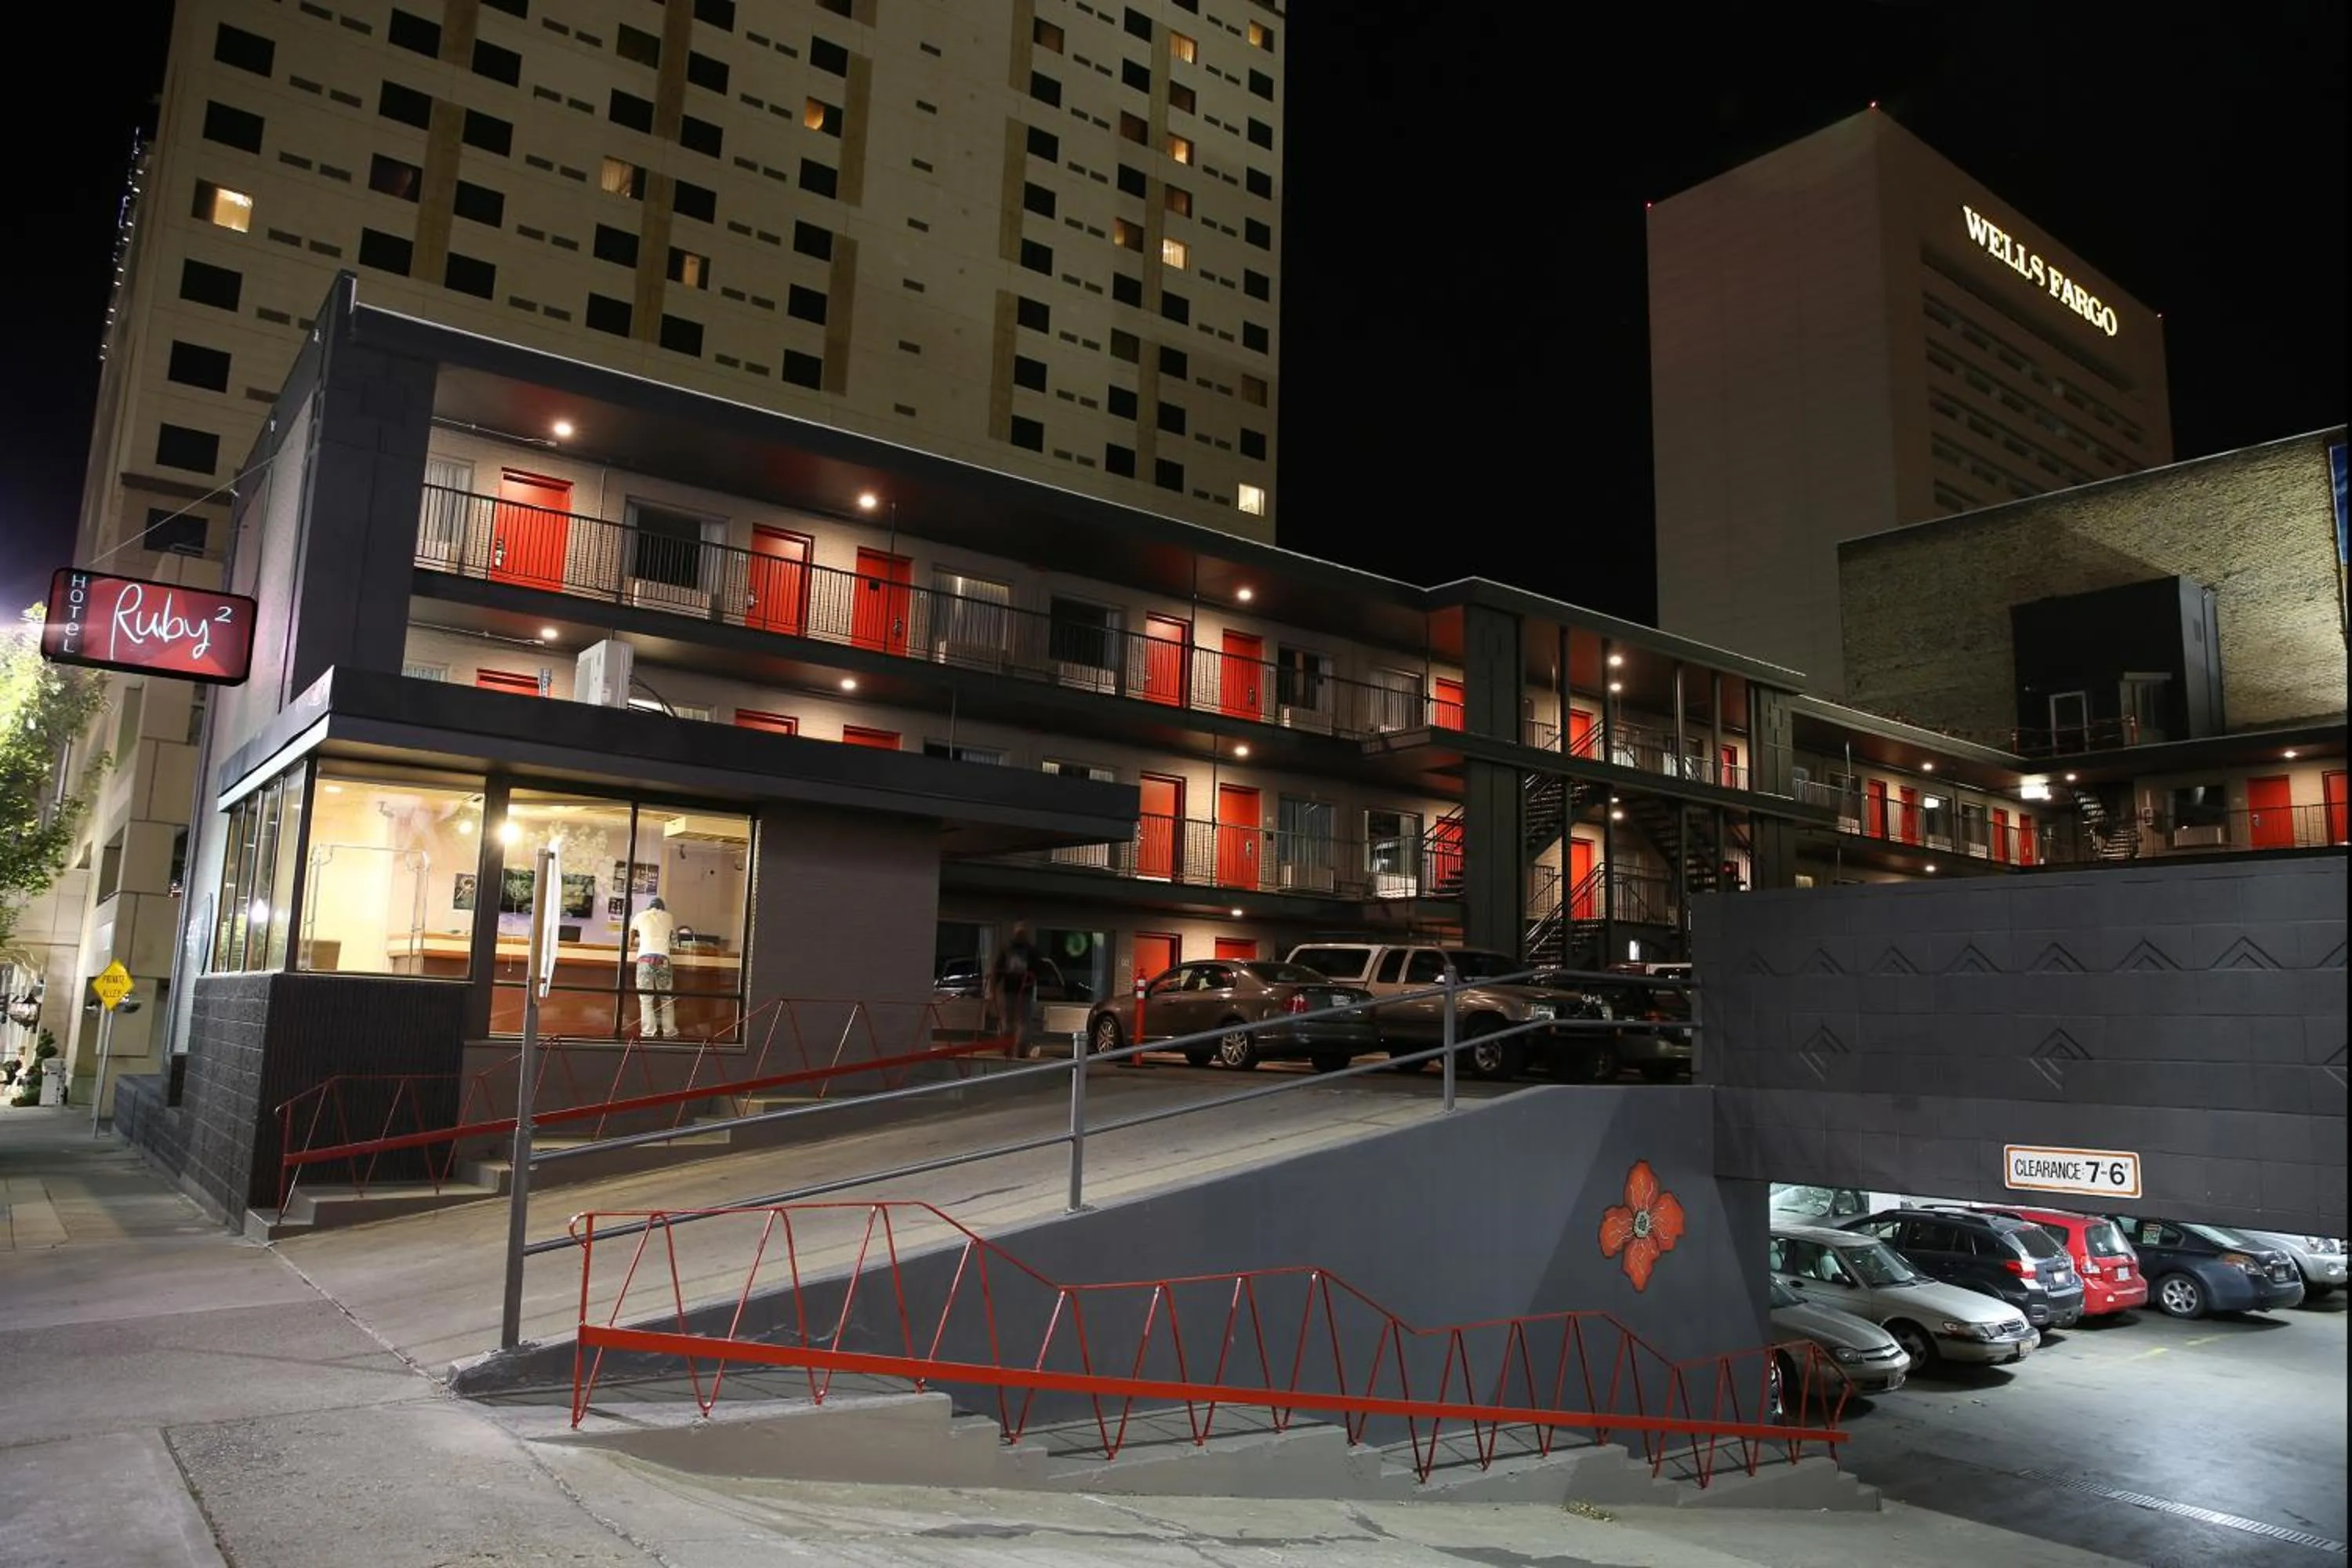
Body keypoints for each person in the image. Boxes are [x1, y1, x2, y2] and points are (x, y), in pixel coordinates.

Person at [627, 896, 678, 1039]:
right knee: (666, 999)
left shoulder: (640, 916)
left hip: (644, 959)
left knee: (646, 999)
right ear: (663, 908)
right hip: (663, 960)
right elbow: (674, 943)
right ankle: (669, 1032)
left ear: (648, 907)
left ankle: (649, 1033)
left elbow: (629, 940)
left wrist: (638, 940)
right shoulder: (669, 917)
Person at [989, 922, 1042, 1059]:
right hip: (1016, 992)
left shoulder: (1013, 950)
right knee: (1016, 1023)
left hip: (1019, 992)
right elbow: (997, 971)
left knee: (1016, 1023)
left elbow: (997, 971)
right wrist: (993, 988)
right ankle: (1013, 1049)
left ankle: (1014, 1050)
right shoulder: (1024, 951)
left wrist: (993, 987)